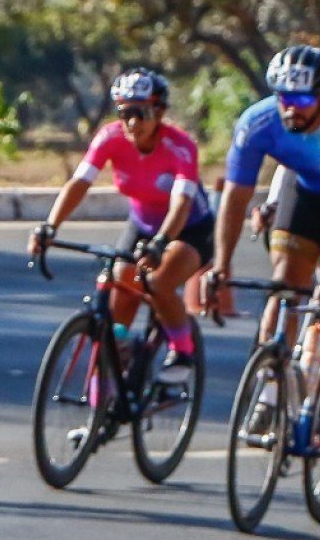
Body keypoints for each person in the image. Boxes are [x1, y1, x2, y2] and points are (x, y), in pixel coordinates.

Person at [32, 68, 211, 377]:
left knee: (157, 282)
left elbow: (181, 203)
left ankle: (182, 350)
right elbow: (80, 183)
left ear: (159, 111)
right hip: (141, 223)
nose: (132, 123)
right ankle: (108, 386)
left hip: (188, 228)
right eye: (125, 112)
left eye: (140, 113)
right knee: (122, 282)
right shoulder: (110, 137)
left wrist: (161, 243)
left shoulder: (180, 146)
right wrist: (50, 226)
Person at [211, 45, 320, 346]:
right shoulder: (258, 123)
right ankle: (271, 381)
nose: (291, 108)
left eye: (302, 99)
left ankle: (317, 367)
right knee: (285, 286)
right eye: (284, 97)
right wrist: (222, 264)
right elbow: (235, 197)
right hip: (306, 192)